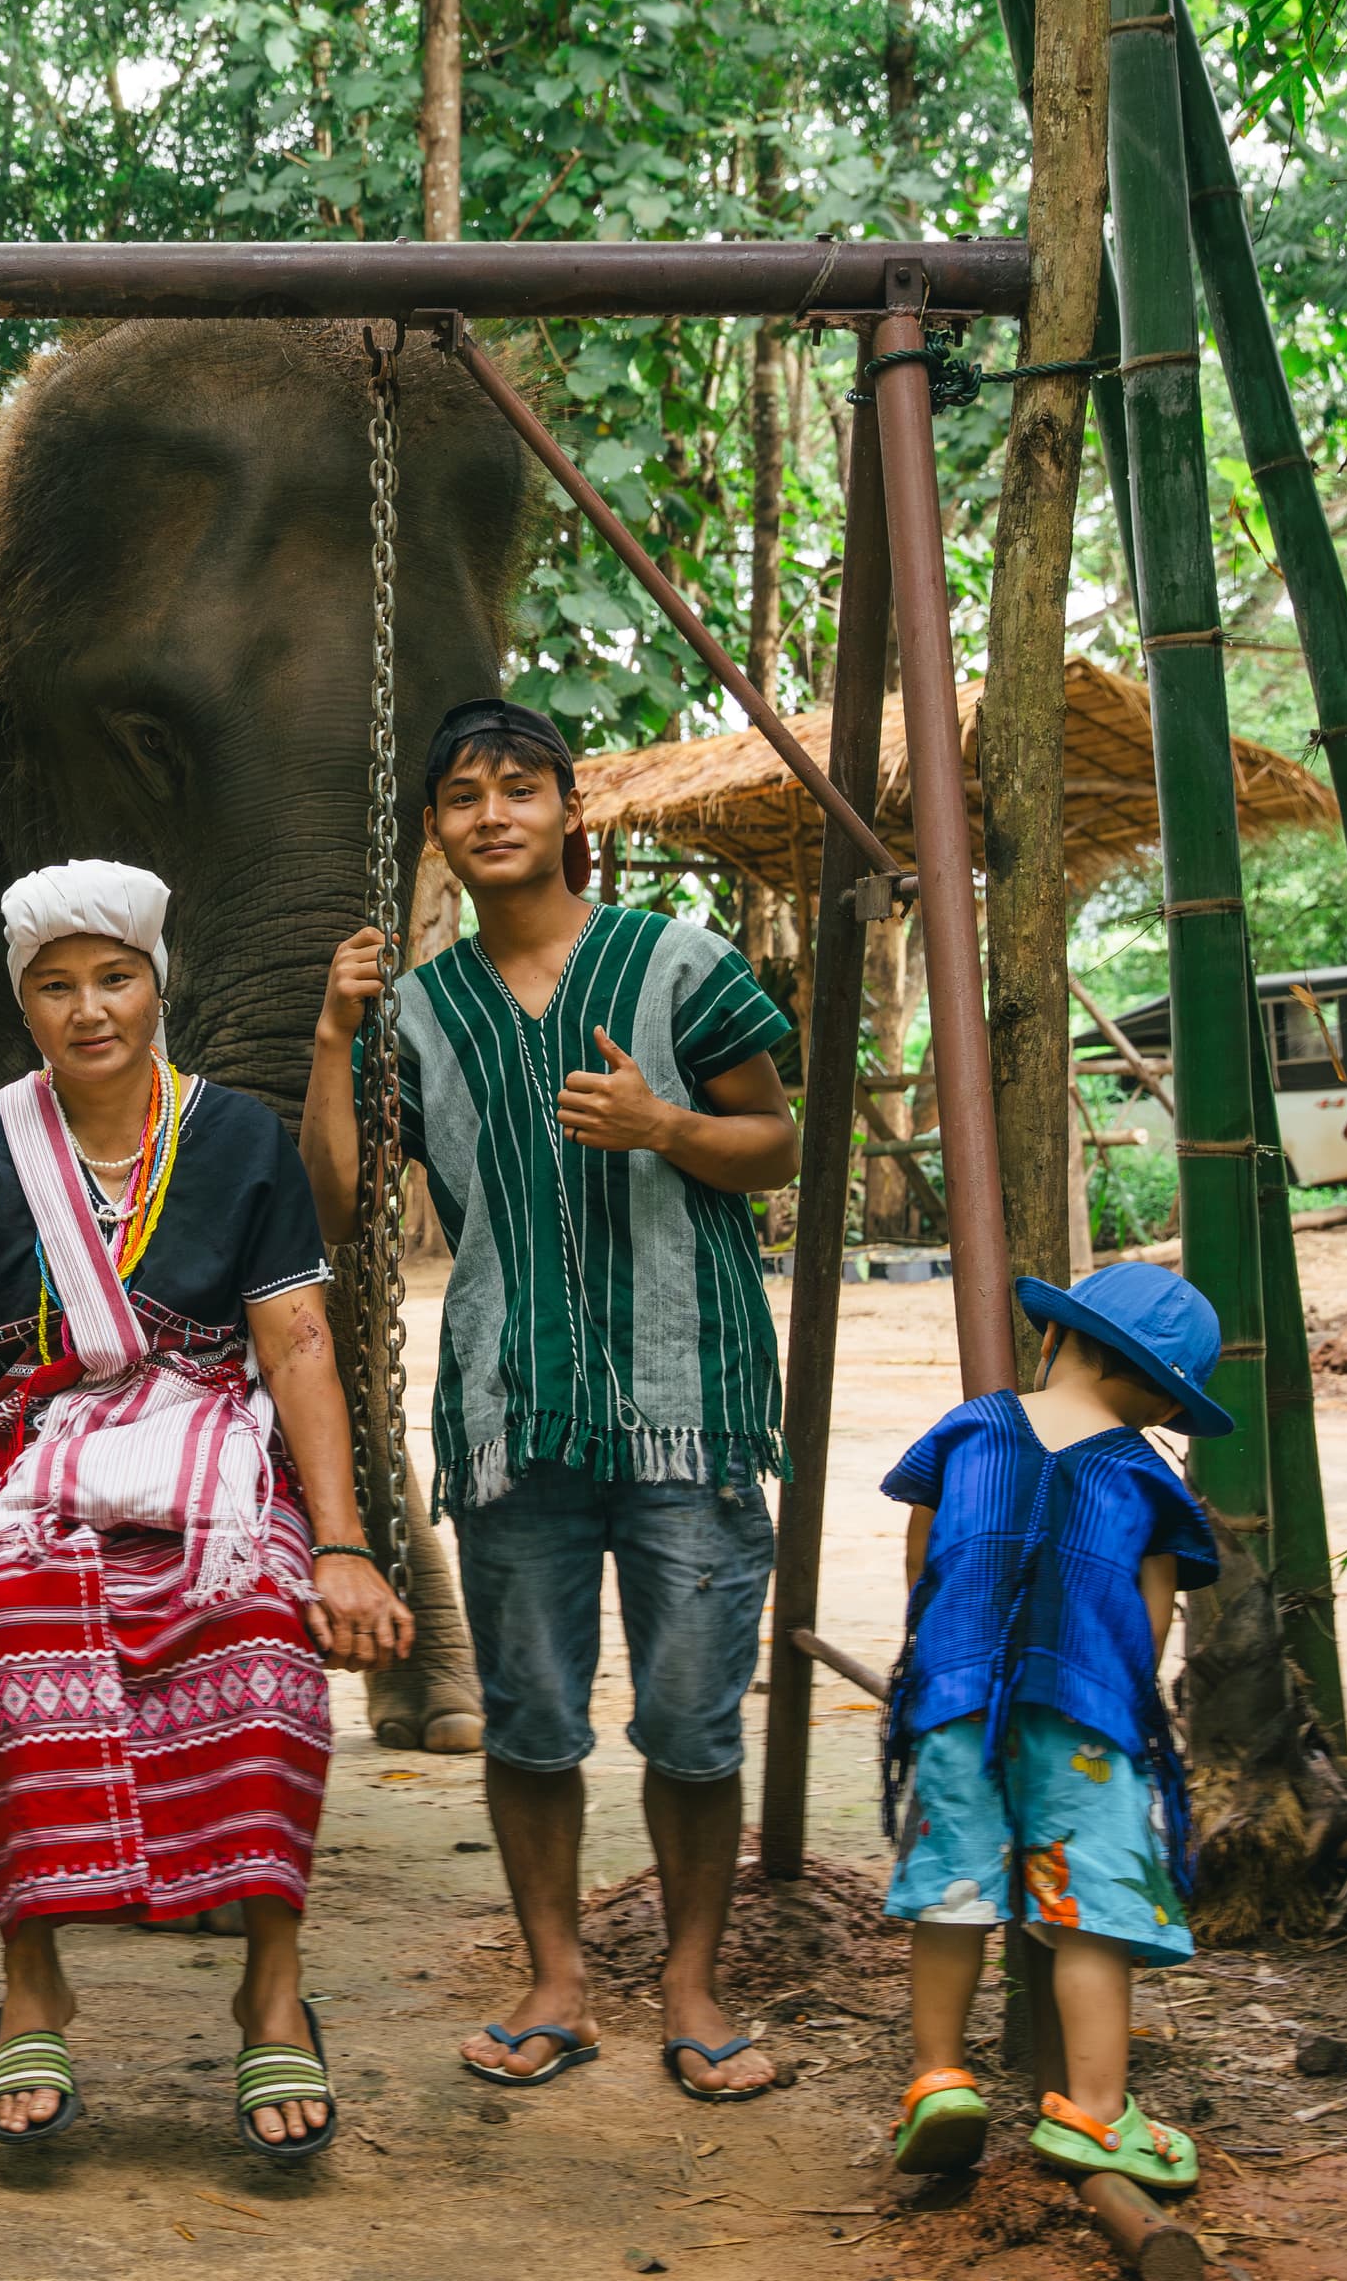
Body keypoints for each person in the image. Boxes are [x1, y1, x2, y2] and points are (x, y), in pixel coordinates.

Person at [0, 861, 412, 2160]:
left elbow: (298, 1348)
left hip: (214, 1463)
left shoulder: (238, 1141)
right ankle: (34, 1978)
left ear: (160, 984)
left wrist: (338, 1543)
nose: (89, 1008)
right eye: (58, 986)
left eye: (115, 978)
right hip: (37, 1464)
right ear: (26, 1004)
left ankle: (272, 1981)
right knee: (5, 1616)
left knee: (269, 1624)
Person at [306, 696, 801, 2104]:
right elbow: (339, 1204)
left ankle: (696, 1989)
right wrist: (334, 1041)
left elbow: (773, 1144)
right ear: (436, 837)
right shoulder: (414, 1008)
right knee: (529, 1718)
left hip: (684, 1394)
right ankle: (557, 1982)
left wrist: (665, 1128)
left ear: (566, 813)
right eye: (463, 797)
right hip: (510, 1405)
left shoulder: (678, 964)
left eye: (521, 786)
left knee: (696, 1719)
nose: (494, 813)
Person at [884, 1263, 1223, 2188]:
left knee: (953, 1891)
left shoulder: (970, 1430)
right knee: (1089, 1919)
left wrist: (945, 1638)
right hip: (1087, 1718)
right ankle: (1095, 2117)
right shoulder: (1148, 1481)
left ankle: (939, 2080)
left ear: (1052, 1339)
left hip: (957, 1700)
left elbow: (924, 1551)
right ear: (1162, 1398)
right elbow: (1151, 1618)